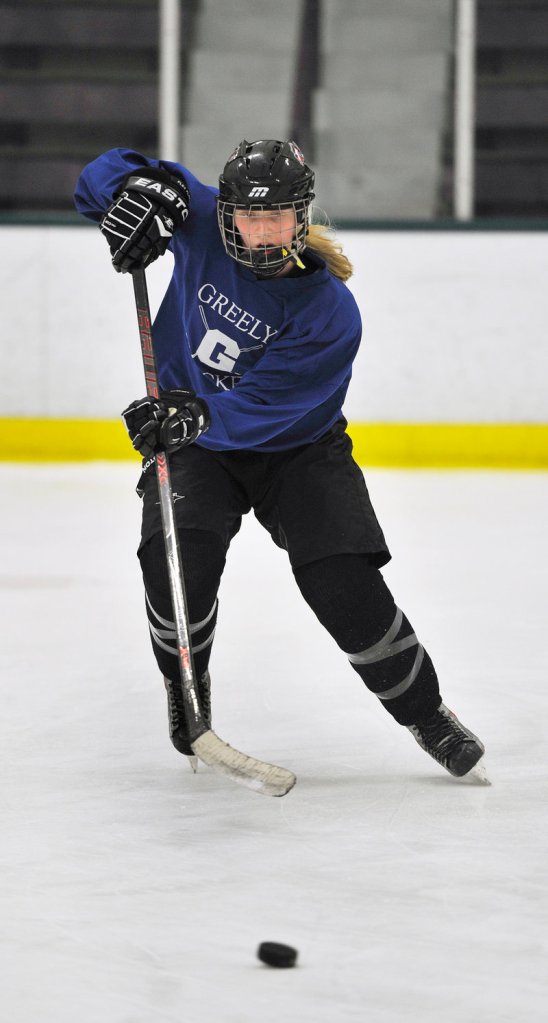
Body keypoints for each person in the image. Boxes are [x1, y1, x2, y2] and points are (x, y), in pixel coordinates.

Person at [74, 139, 488, 784]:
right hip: (196, 446)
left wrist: (195, 415)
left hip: (298, 451)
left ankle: (425, 713)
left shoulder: (329, 313)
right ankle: (187, 692)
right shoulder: (201, 216)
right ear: (227, 212)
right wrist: (141, 195)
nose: (264, 234)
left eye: (280, 218)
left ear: (303, 217)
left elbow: (272, 406)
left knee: (344, 585)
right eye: (249, 217)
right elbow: (102, 173)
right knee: (174, 562)